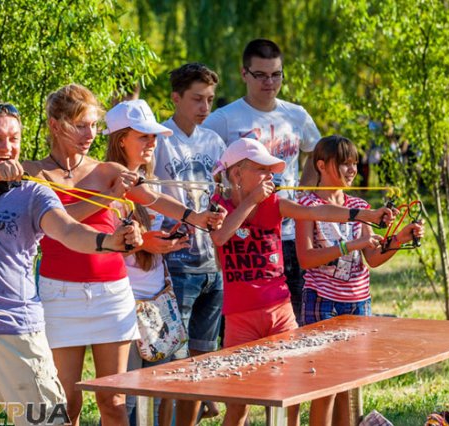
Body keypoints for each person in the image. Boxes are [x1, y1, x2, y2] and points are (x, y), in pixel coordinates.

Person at [0, 100, 142, 426]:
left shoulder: (33, 193)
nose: (7, 148)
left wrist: (108, 242)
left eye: (14, 139)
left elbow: (68, 230)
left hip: (15, 331)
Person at [20, 87, 223, 426]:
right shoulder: (35, 174)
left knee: (113, 401)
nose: (90, 135)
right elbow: (62, 227)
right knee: (65, 402)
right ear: (54, 125)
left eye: (94, 126)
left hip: (110, 294)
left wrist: (196, 218)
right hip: (59, 294)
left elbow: (153, 198)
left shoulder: (107, 170)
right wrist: (106, 193)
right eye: (80, 126)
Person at [209, 138, 393, 426]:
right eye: (262, 170)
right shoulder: (217, 206)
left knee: (289, 397)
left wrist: (364, 214)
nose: (270, 177)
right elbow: (220, 237)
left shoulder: (276, 203)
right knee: (238, 406)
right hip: (239, 316)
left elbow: (317, 211)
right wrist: (251, 201)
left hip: (280, 312)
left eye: (272, 171)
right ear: (236, 174)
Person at [295, 135, 424, 426]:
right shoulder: (306, 204)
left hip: (358, 302)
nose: (352, 170)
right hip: (322, 303)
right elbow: (306, 258)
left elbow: (373, 258)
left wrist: (401, 237)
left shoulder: (360, 205)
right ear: (322, 165)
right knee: (324, 386)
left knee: (349, 385)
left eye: (354, 163)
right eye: (344, 163)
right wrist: (348, 246)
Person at [203, 38, 321, 326]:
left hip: (290, 235)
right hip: (246, 241)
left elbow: (319, 155)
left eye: (276, 74)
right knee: (245, 325)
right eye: (260, 75)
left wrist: (304, 196)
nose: (269, 82)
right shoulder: (225, 118)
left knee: (292, 322)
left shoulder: (296, 115)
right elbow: (208, 166)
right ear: (244, 74)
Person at [105, 104, 191, 426]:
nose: (152, 142)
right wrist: (145, 243)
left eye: (154, 136)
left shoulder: (149, 182)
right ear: (120, 139)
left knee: (155, 395)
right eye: (144, 136)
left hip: (156, 300)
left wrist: (165, 242)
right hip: (123, 304)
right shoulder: (104, 181)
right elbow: (98, 245)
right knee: (123, 403)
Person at [153, 63, 226, 424]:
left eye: (210, 99)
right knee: (170, 360)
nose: (204, 107)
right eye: (197, 99)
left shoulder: (213, 141)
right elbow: (146, 196)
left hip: (212, 261)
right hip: (177, 261)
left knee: (203, 358)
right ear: (176, 98)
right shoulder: (160, 139)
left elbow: (223, 192)